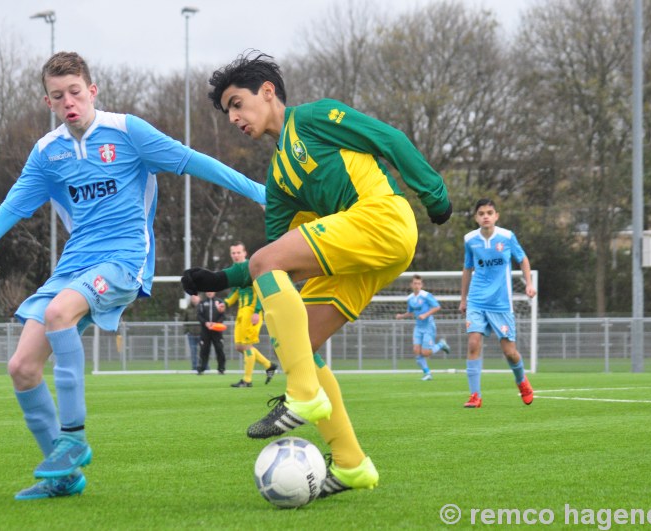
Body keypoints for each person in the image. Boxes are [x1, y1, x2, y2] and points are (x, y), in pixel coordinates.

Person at [0, 51, 265, 501]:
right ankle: (66, 476)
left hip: (124, 260)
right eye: (57, 95)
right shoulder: (47, 153)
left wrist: (262, 193)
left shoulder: (128, 132)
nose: (68, 101)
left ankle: (74, 437)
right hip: (75, 265)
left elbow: (194, 161)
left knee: (58, 311)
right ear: (48, 102)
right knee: (22, 368)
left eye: (75, 91)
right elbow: (11, 207)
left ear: (92, 91)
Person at [182, 51, 451, 498]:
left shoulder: (311, 118)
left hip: (383, 218)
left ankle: (303, 393)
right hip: (361, 253)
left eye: (236, 103)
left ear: (268, 92)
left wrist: (433, 192)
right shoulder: (278, 182)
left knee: (285, 318)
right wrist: (221, 279)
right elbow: (270, 258)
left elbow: (390, 138)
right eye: (227, 110)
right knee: (298, 343)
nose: (233, 117)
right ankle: (350, 464)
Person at [459, 198, 536, 409]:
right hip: (476, 300)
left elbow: (523, 259)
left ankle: (522, 381)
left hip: (501, 303)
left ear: (496, 216)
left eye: (489, 212)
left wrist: (529, 284)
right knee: (473, 342)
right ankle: (475, 395)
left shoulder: (507, 237)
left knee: (509, 352)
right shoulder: (470, 239)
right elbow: (467, 269)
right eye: (481, 213)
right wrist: (463, 298)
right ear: (476, 217)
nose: (485, 216)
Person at [224, 242, 277, 388]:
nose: (236, 255)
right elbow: (235, 291)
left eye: (238, 252)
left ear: (245, 253)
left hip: (252, 311)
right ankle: (269, 365)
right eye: (233, 253)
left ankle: (247, 380)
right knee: (239, 346)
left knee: (247, 346)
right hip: (241, 311)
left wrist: (257, 311)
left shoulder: (251, 268)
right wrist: (226, 303)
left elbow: (260, 289)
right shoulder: (237, 271)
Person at [395, 275, 450, 381]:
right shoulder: (410, 298)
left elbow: (437, 307)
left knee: (425, 353)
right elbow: (410, 312)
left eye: (419, 283)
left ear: (422, 285)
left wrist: (425, 315)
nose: (417, 286)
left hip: (428, 326)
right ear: (411, 285)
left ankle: (441, 344)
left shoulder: (426, 295)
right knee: (416, 351)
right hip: (418, 327)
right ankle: (427, 374)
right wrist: (401, 316)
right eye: (415, 283)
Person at [196, 291, 227, 374]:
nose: (209, 293)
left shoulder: (220, 302)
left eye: (211, 291)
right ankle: (202, 368)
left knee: (219, 348)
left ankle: (221, 368)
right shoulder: (202, 303)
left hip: (217, 331)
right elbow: (199, 315)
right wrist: (205, 323)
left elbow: (223, 315)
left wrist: (216, 324)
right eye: (207, 291)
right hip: (205, 330)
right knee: (204, 349)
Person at [181, 293, 202, 371]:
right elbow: (185, 321)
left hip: (201, 334)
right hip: (191, 334)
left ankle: (204, 367)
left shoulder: (202, 307)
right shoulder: (188, 309)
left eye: (195, 296)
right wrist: (187, 331)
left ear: (199, 298)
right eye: (192, 297)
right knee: (193, 351)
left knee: (203, 351)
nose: (194, 298)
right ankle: (194, 367)